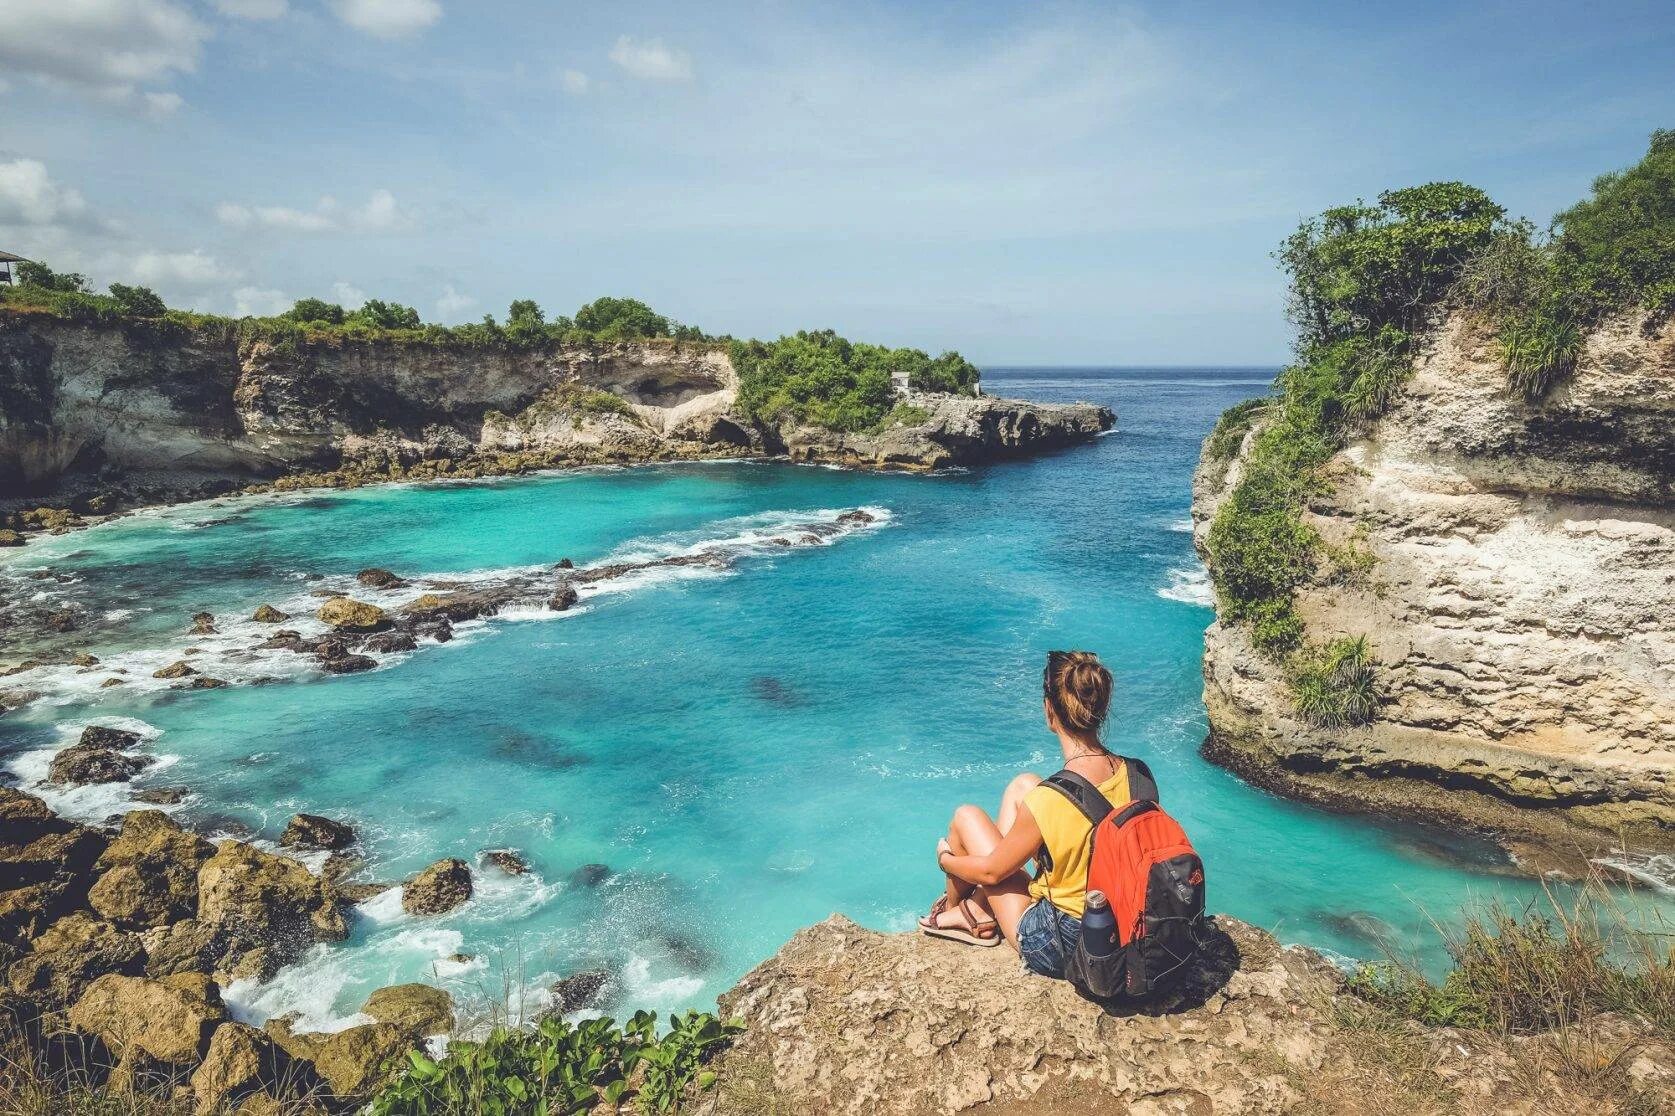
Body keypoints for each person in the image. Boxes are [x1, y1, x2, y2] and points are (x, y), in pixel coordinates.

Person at [919, 650, 1129, 979]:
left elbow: (991, 873)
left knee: (965, 817)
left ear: (1050, 712)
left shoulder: (1051, 798)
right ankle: (975, 908)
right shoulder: (1138, 774)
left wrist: (946, 860)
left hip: (1063, 942)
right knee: (1023, 784)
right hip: (1121, 923)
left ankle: (958, 912)